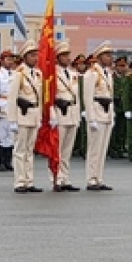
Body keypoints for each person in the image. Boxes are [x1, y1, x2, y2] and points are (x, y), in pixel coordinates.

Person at [8, 41, 43, 193]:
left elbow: (40, 98)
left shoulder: (38, 74)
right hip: (22, 116)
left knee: (30, 150)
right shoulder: (19, 74)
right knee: (20, 150)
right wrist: (12, 120)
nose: (35, 58)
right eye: (32, 55)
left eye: (36, 55)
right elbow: (12, 98)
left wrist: (40, 117)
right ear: (25, 57)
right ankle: (19, 181)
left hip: (34, 115)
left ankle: (29, 180)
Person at [82, 41, 116, 191]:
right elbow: (88, 97)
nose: (110, 58)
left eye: (110, 55)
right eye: (107, 55)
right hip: (96, 112)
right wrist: (91, 118)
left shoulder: (107, 74)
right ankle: (91, 179)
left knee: (103, 149)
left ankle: (99, 177)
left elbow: (110, 95)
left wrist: (112, 114)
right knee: (94, 149)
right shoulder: (92, 73)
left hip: (106, 113)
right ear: (100, 57)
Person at [52, 42, 82, 192]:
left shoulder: (73, 73)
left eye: (68, 55)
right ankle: (56, 178)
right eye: (64, 56)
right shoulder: (52, 74)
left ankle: (65, 178)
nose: (67, 58)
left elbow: (77, 96)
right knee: (58, 149)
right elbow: (50, 96)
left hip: (72, 112)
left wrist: (79, 115)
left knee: (67, 150)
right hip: (60, 113)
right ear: (58, 58)